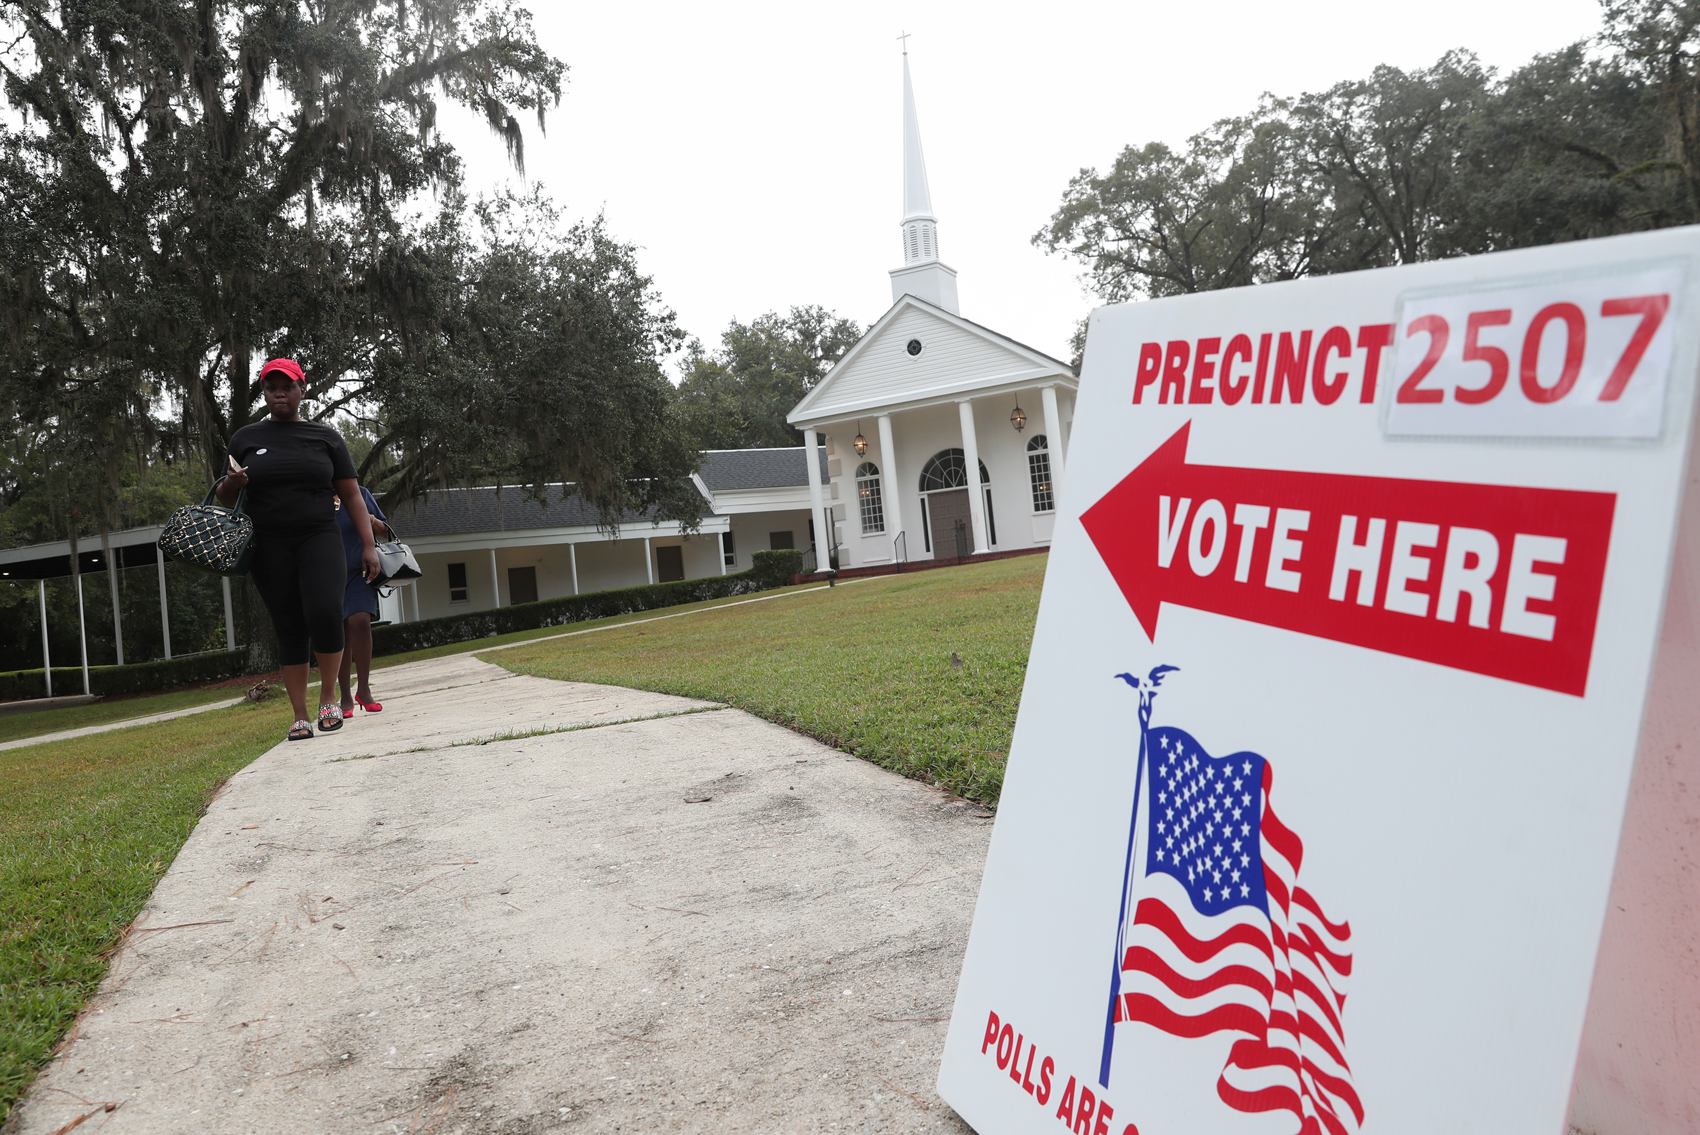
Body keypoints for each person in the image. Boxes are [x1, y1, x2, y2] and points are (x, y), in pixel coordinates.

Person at [218, 358, 380, 740]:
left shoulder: (325, 438)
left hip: (320, 537)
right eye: (272, 386)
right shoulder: (245, 438)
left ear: (301, 390)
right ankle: (299, 715)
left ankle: (328, 699)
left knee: (325, 612)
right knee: (288, 624)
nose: (279, 392)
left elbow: (352, 495)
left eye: (287, 386)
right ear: (264, 393)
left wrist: (370, 546)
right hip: (269, 544)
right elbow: (224, 497)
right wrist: (233, 483)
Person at [335, 485, 390, 716]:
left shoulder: (359, 493)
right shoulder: (312, 496)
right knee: (339, 632)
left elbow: (384, 530)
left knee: (360, 622)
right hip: (329, 572)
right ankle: (345, 696)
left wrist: (369, 519)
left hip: (360, 570)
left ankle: (364, 690)